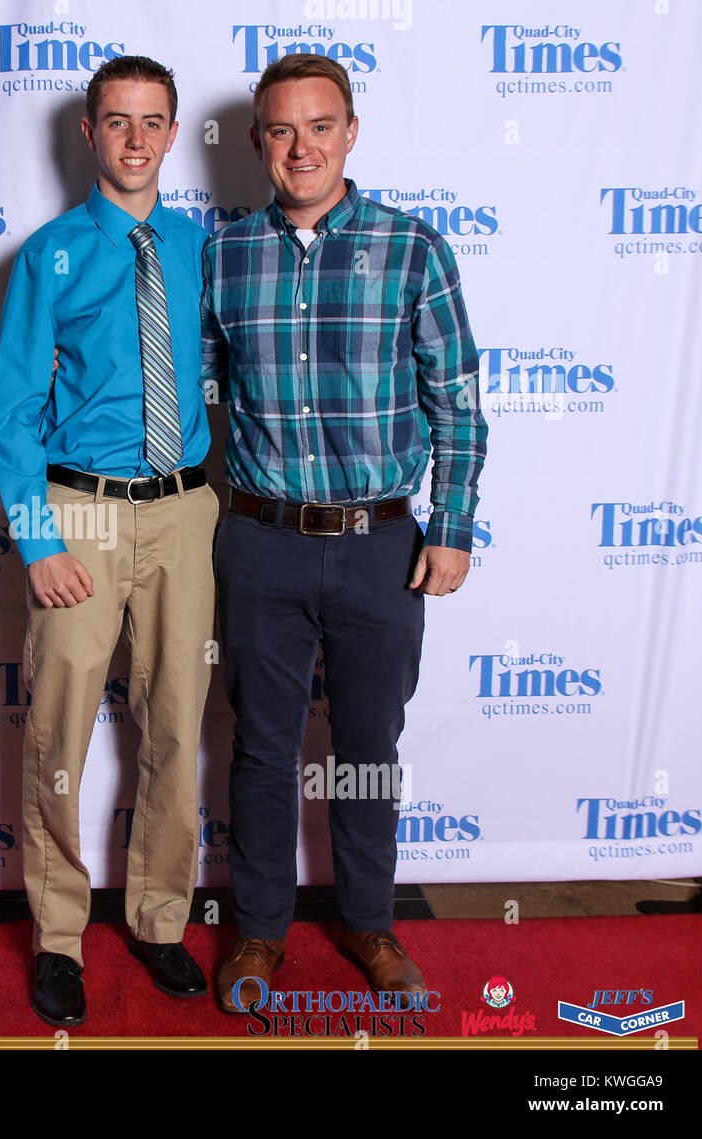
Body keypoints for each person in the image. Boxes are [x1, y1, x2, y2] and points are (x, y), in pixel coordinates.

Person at [202, 53, 488, 1012]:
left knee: (368, 744)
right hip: (262, 541)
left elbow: (459, 405)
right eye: (281, 130)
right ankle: (258, 935)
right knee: (259, 749)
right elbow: (205, 400)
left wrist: (451, 527)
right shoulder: (226, 252)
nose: (301, 147)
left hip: (381, 545)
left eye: (319, 126)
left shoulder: (414, 250)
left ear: (352, 132)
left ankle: (371, 924)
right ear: (258, 144)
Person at [0, 55, 218, 1027]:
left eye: (151, 121)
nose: (133, 139)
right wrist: (38, 539)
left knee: (174, 722)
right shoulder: (51, 253)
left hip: (185, 507)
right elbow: (9, 416)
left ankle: (159, 915)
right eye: (115, 121)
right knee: (62, 731)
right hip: (77, 510)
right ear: (88, 133)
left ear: (172, 134)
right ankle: (58, 933)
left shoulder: (202, 247)